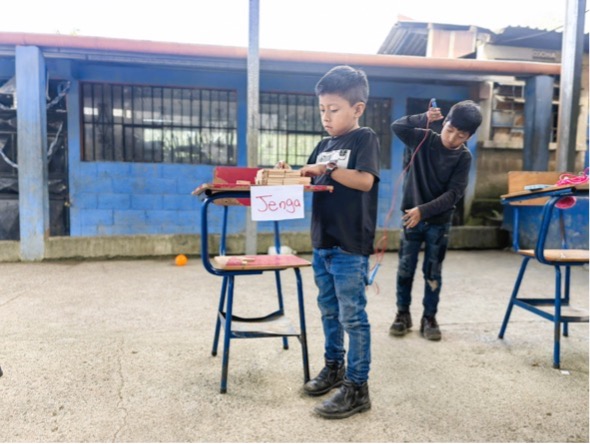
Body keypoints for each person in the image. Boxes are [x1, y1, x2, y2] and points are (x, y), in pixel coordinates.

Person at [295, 65, 380, 419]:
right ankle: (334, 367)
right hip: (323, 241)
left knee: (353, 317)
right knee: (328, 310)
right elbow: (309, 179)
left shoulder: (364, 139)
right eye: (322, 110)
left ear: (357, 109)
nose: (326, 117)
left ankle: (358, 387)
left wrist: (326, 169)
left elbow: (364, 181)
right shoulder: (323, 145)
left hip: (349, 245)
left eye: (334, 109)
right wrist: (291, 173)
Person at [389, 100, 482, 341]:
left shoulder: (463, 157)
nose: (452, 138)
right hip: (411, 218)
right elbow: (398, 126)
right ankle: (402, 314)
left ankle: (429, 317)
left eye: (461, 135)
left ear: (469, 137)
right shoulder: (423, 139)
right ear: (444, 122)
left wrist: (424, 210)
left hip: (439, 223)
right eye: (450, 130)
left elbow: (454, 194)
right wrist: (424, 117)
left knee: (433, 272)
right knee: (405, 269)